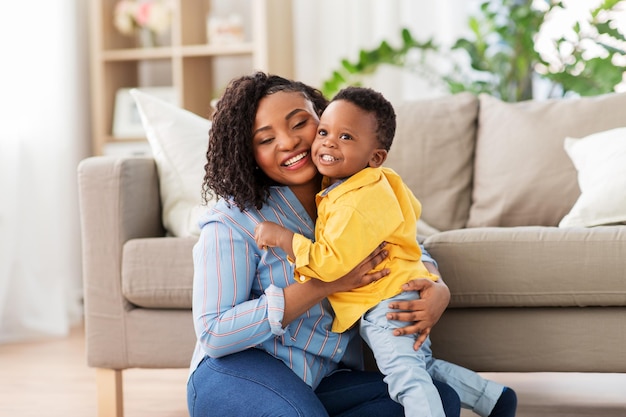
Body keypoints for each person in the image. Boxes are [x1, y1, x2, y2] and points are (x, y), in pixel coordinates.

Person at [188, 72, 462, 417]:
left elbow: (403, 243)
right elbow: (214, 333)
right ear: (249, 153)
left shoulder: (356, 192)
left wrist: (437, 286)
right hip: (238, 372)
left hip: (321, 378)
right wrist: (325, 283)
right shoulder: (232, 219)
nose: (288, 143)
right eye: (265, 139)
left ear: (324, 117)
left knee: (440, 400)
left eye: (299, 123)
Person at [254, 86, 517, 417]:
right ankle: (493, 398)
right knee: (419, 364)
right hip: (400, 291)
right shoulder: (376, 183)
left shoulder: (352, 203)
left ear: (374, 156)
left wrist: (283, 238)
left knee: (406, 378)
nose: (328, 142)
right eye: (324, 131)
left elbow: (331, 263)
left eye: (346, 137)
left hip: (385, 303)